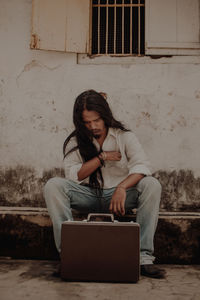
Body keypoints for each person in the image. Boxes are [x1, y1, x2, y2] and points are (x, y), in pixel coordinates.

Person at [44, 90, 166, 279]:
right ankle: (67, 256)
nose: (93, 126)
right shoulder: (76, 141)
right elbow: (74, 175)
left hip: (119, 198)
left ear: (105, 116)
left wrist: (122, 187)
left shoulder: (124, 136)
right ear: (80, 122)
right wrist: (102, 157)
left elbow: (142, 166)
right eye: (87, 122)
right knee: (53, 186)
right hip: (87, 195)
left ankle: (143, 258)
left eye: (97, 120)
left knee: (152, 185)